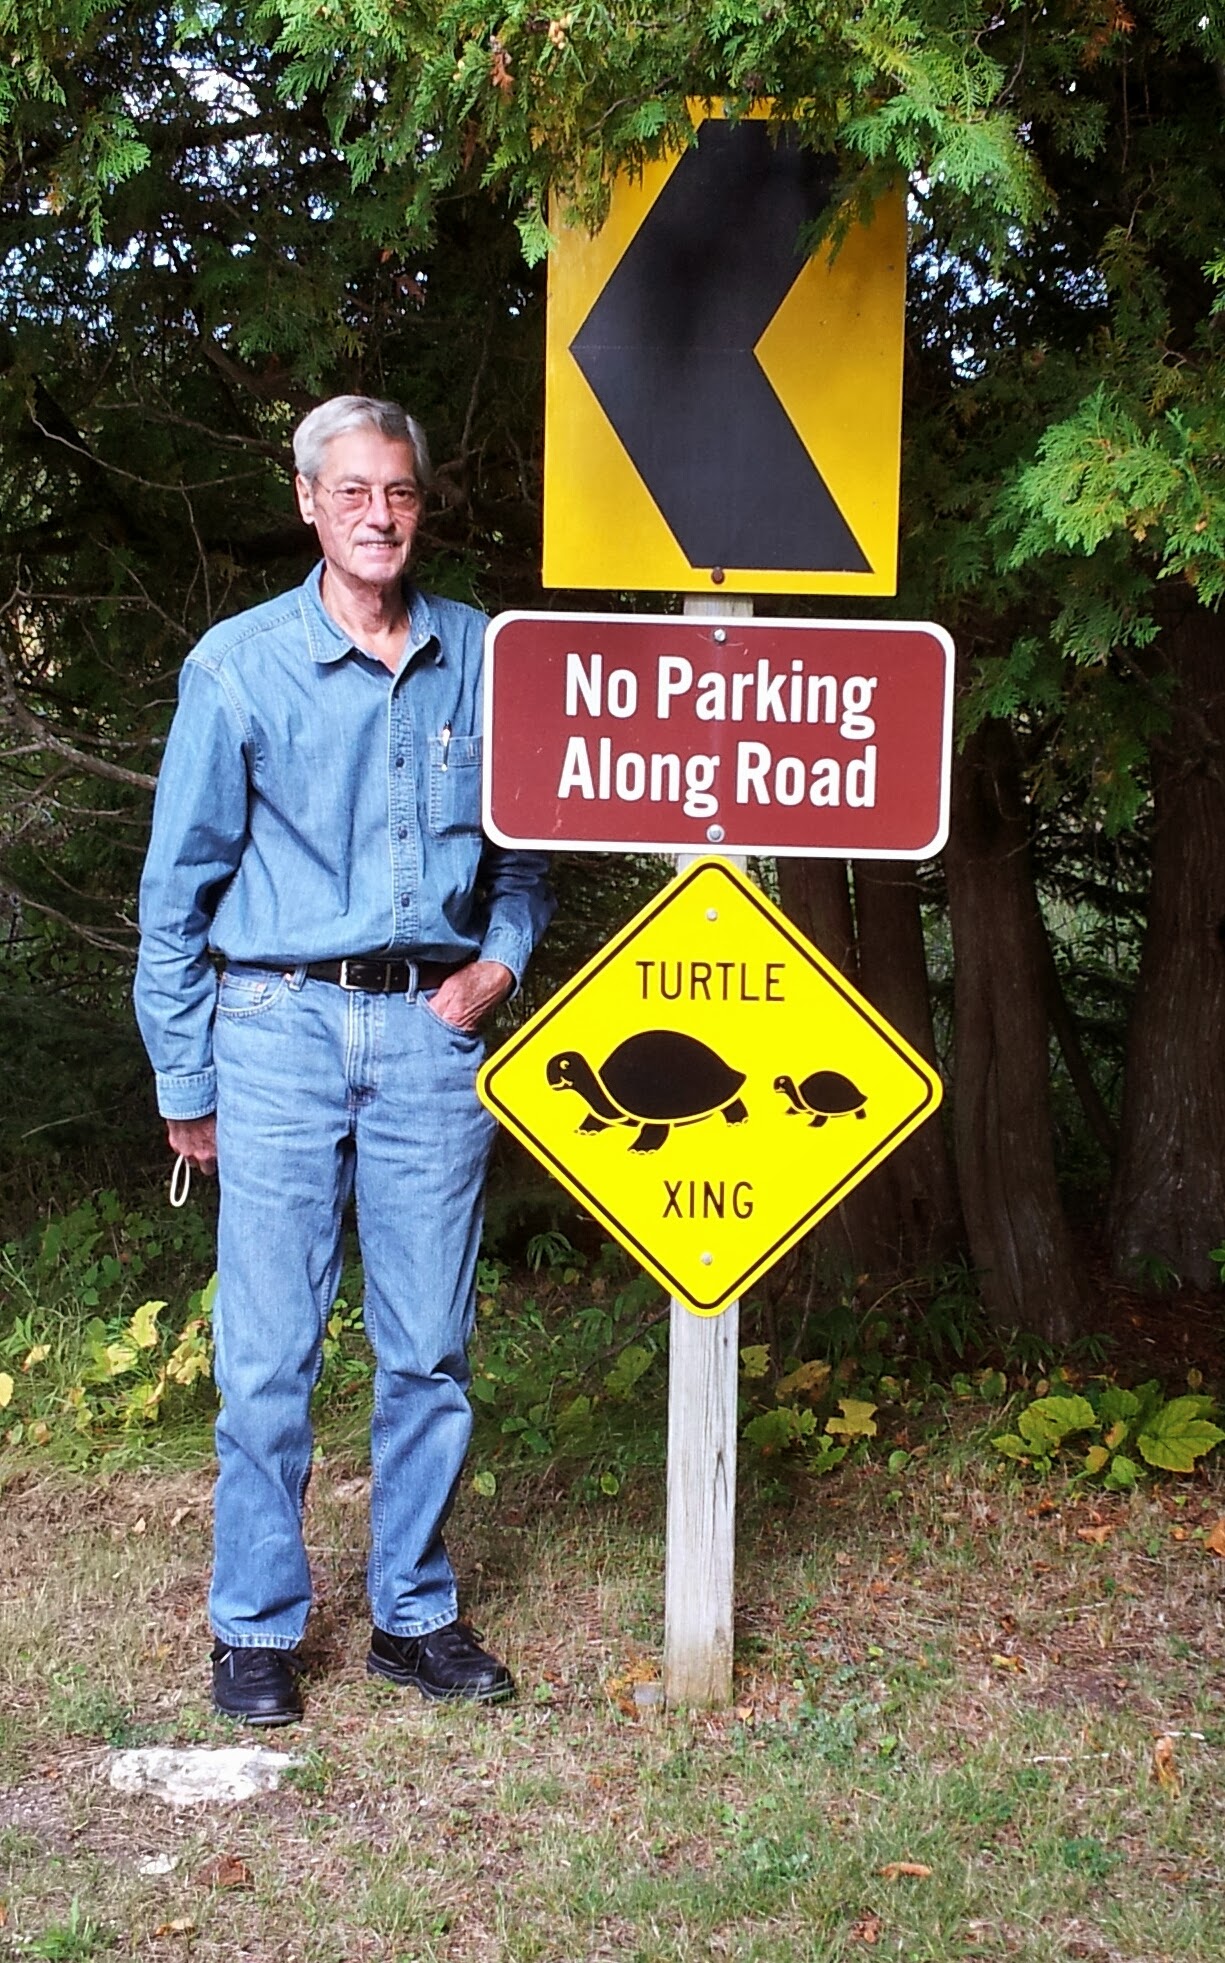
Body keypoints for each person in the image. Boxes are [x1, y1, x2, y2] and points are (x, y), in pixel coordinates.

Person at [134, 395, 553, 1725]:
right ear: (309, 502)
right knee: (269, 1356)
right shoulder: (237, 668)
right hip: (276, 1028)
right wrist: (187, 1082)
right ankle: (256, 1627)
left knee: (429, 1346)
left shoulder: (486, 656)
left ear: (422, 508)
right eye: (354, 491)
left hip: (433, 1034)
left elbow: (530, 852)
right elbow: (175, 897)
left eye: (401, 492)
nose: (380, 514)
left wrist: (498, 967)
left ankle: (412, 1617)